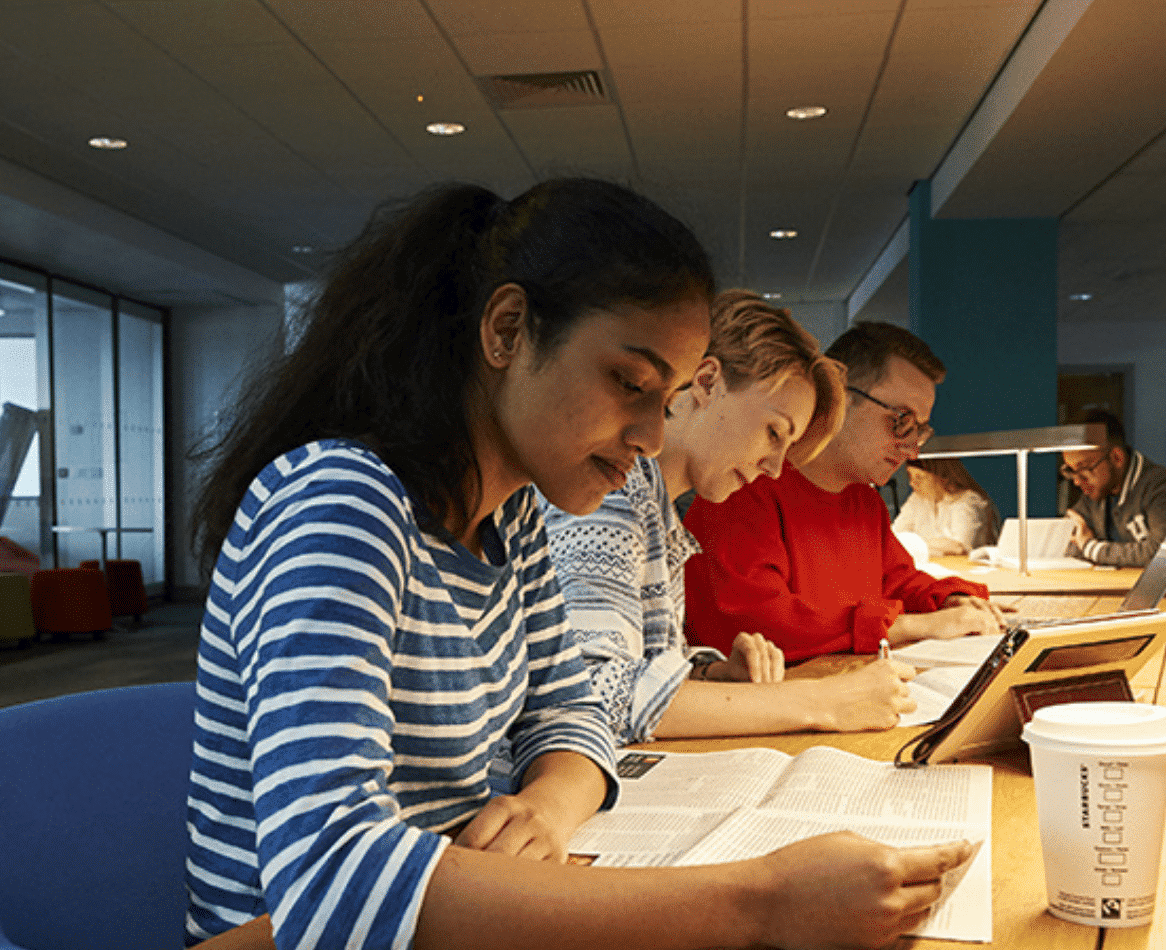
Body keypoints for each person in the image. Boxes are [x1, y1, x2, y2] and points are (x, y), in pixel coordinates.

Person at [185, 180, 975, 950]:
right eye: (627, 383)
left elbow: (574, 714)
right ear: (507, 331)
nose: (651, 436)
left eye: (660, 396)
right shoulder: (345, 502)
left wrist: (547, 811)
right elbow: (333, 879)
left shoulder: (513, 516)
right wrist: (759, 901)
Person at [542, 290, 917, 740]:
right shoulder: (610, 494)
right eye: (773, 432)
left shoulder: (655, 508)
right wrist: (824, 702)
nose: (775, 467)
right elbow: (595, 693)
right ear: (706, 382)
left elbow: (638, 665)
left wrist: (714, 677)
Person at [683, 321, 1007, 663]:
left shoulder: (864, 500)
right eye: (900, 420)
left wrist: (949, 600)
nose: (911, 450)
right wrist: (917, 627)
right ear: (839, 394)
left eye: (919, 431)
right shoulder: (739, 486)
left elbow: (899, 581)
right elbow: (757, 626)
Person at [1061, 409, 1166, 567]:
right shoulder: (1095, 495)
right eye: (1071, 471)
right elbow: (1071, 543)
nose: (1077, 481)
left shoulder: (1159, 486)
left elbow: (1160, 556)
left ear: (1117, 458)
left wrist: (1091, 548)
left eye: (1084, 469)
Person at [892, 457, 999, 556]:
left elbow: (958, 547)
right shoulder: (918, 499)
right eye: (910, 476)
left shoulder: (968, 501)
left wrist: (913, 544)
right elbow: (894, 534)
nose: (912, 483)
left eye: (919, 477)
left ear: (944, 477)